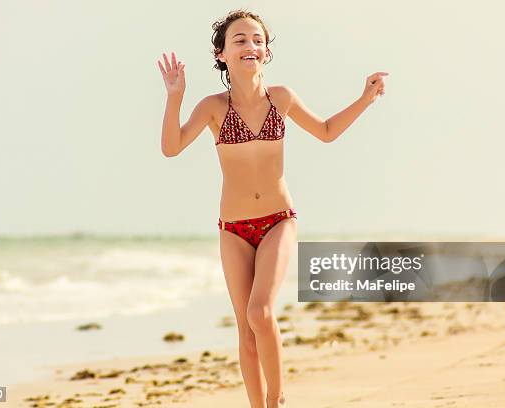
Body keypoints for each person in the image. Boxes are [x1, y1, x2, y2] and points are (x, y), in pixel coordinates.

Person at [157, 9, 387, 408]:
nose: (251, 45)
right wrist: (174, 98)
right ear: (222, 54)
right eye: (240, 40)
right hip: (233, 229)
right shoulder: (212, 106)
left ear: (266, 52)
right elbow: (171, 147)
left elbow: (327, 132)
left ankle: (277, 400)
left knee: (260, 312)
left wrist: (365, 98)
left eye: (258, 40)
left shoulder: (281, 98)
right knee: (246, 330)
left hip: (279, 221)